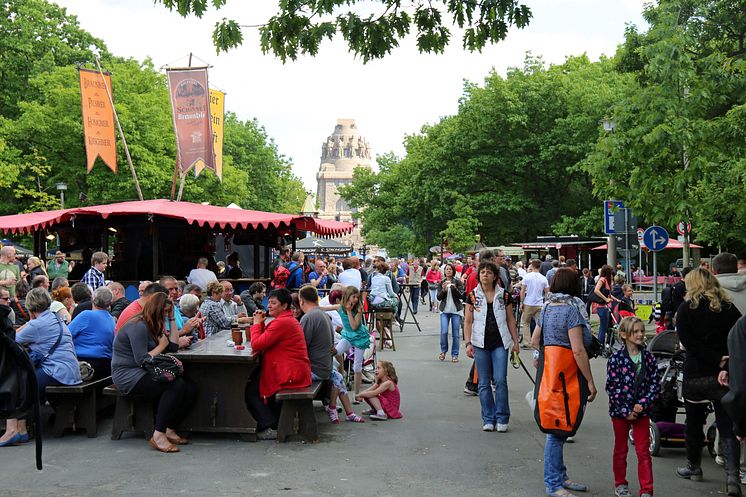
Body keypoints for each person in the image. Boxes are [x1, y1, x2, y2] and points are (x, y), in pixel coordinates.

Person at [530, 269, 598, 497]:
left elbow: (534, 340)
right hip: (568, 375)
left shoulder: (547, 307)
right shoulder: (572, 310)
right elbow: (578, 350)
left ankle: (560, 476)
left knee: (557, 426)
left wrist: (546, 354)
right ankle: (553, 484)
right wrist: (590, 380)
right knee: (557, 431)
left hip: (551, 373)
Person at [676, 268, 742, 495]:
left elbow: (687, 342)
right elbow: (738, 337)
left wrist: (712, 357)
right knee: (726, 426)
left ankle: (694, 467)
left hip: (696, 373)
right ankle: (733, 476)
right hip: (724, 374)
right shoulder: (729, 307)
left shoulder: (686, 309)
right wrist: (723, 359)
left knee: (693, 423)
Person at [112, 292, 196, 453]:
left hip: (145, 371)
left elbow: (172, 346)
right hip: (128, 375)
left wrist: (171, 319)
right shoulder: (137, 326)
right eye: (164, 312)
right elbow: (141, 360)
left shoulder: (153, 323)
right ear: (155, 309)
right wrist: (160, 346)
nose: (165, 315)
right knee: (175, 386)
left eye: (168, 312)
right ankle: (158, 435)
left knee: (191, 387)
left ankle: (170, 428)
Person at [0, 288, 82, 447]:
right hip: (69, 369)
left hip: (58, 371)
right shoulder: (53, 317)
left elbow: (11, 339)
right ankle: (21, 429)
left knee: (18, 382)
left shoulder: (37, 325)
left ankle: (13, 430)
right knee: (24, 377)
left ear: (30, 306)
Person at [248, 288, 312, 440]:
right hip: (295, 370)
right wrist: (262, 324)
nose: (269, 306)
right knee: (254, 385)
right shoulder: (286, 320)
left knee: (251, 390)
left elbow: (257, 344)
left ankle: (268, 425)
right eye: (268, 302)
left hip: (291, 374)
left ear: (284, 306)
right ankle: (273, 421)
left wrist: (256, 324)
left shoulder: (282, 322)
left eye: (273, 303)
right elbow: (266, 340)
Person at [606, 317, 660, 497]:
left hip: (642, 413)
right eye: (635, 331)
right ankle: (620, 483)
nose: (640, 334)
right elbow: (612, 387)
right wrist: (625, 410)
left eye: (642, 331)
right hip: (620, 412)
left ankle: (647, 489)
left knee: (643, 451)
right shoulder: (616, 358)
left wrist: (641, 405)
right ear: (623, 335)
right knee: (620, 449)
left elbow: (655, 385)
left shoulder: (649, 357)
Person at [463, 260, 519, 433]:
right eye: (482, 272)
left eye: (488, 272)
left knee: (501, 380)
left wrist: (516, 342)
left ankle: (502, 417)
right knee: (484, 383)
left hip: (500, 342)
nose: (485, 275)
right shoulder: (472, 296)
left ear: (495, 276)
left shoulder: (505, 296)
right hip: (480, 343)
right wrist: (468, 342)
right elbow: (468, 321)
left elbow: (510, 319)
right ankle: (488, 417)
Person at [298, 285, 363, 423]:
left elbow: (301, 347)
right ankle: (341, 409)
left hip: (316, 371)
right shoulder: (324, 316)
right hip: (325, 367)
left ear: (301, 301)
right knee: (337, 375)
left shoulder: (309, 317)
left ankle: (329, 404)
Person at [68, 286, 116, 380]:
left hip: (86, 365)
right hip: (107, 366)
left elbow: (66, 335)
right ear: (110, 303)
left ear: (92, 299)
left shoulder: (86, 315)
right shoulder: (111, 319)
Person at [336, 285, 371, 398]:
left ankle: (357, 394)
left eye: (357, 297)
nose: (355, 299)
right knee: (336, 351)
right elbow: (323, 308)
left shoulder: (358, 309)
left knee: (357, 367)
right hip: (347, 336)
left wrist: (349, 311)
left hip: (359, 337)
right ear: (347, 296)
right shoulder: (339, 307)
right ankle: (341, 373)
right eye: (353, 297)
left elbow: (354, 326)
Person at [437, 262, 465, 362]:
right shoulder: (442, 282)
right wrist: (444, 289)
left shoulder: (457, 282)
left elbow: (462, 296)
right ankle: (443, 351)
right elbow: (439, 297)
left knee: (456, 334)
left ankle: (455, 354)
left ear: (453, 271)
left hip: (456, 311)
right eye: (447, 269)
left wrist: (454, 288)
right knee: (444, 332)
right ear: (444, 271)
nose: (448, 271)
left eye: (450, 269)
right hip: (444, 310)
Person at [520, 259, 550, 346]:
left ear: (532, 266)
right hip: (539, 303)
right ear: (540, 267)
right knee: (539, 324)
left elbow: (522, 290)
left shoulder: (527, 277)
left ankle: (527, 342)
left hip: (528, 302)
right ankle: (539, 341)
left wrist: (522, 302)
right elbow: (547, 292)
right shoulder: (543, 278)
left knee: (526, 323)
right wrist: (546, 301)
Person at [592, 264, 618, 349]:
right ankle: (600, 345)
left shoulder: (606, 280)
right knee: (603, 327)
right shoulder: (602, 280)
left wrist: (615, 300)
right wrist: (605, 299)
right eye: (610, 272)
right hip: (601, 306)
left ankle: (604, 344)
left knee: (606, 326)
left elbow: (609, 294)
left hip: (606, 306)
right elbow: (596, 290)